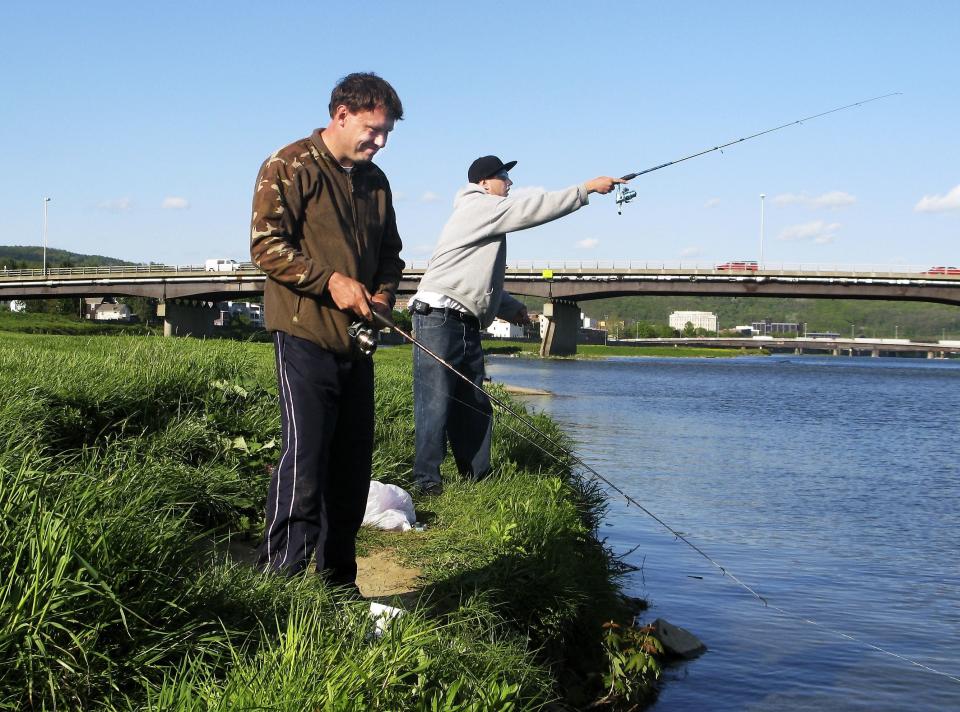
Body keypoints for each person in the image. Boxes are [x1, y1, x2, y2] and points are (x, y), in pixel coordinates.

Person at [249, 72, 404, 586]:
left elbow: (390, 255)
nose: (379, 142)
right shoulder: (288, 165)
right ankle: (283, 585)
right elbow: (266, 246)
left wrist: (382, 294)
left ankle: (338, 584)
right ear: (341, 115)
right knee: (306, 463)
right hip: (303, 335)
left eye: (386, 134)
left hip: (357, 346)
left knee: (352, 472)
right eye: (372, 130)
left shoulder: (376, 181)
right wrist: (331, 281)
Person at [409, 156, 624, 495]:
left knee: (475, 403)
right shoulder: (478, 207)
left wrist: (511, 308)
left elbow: (473, 277)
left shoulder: (484, 216)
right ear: (483, 182)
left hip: (463, 321)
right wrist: (586, 189)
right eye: (504, 176)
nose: (510, 183)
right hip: (438, 319)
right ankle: (426, 483)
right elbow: (534, 209)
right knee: (435, 402)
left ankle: (477, 480)